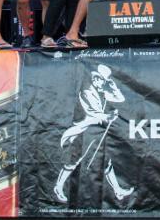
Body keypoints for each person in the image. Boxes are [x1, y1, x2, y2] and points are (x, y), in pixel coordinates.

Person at [53, 64, 134, 203]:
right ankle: (58, 187)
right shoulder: (87, 92)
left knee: (106, 161)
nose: (100, 82)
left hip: (96, 132)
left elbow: (120, 98)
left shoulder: (103, 91)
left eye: (103, 80)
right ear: (95, 78)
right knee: (73, 161)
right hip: (82, 130)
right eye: (99, 79)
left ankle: (117, 190)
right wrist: (108, 116)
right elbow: (93, 114)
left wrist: (112, 84)